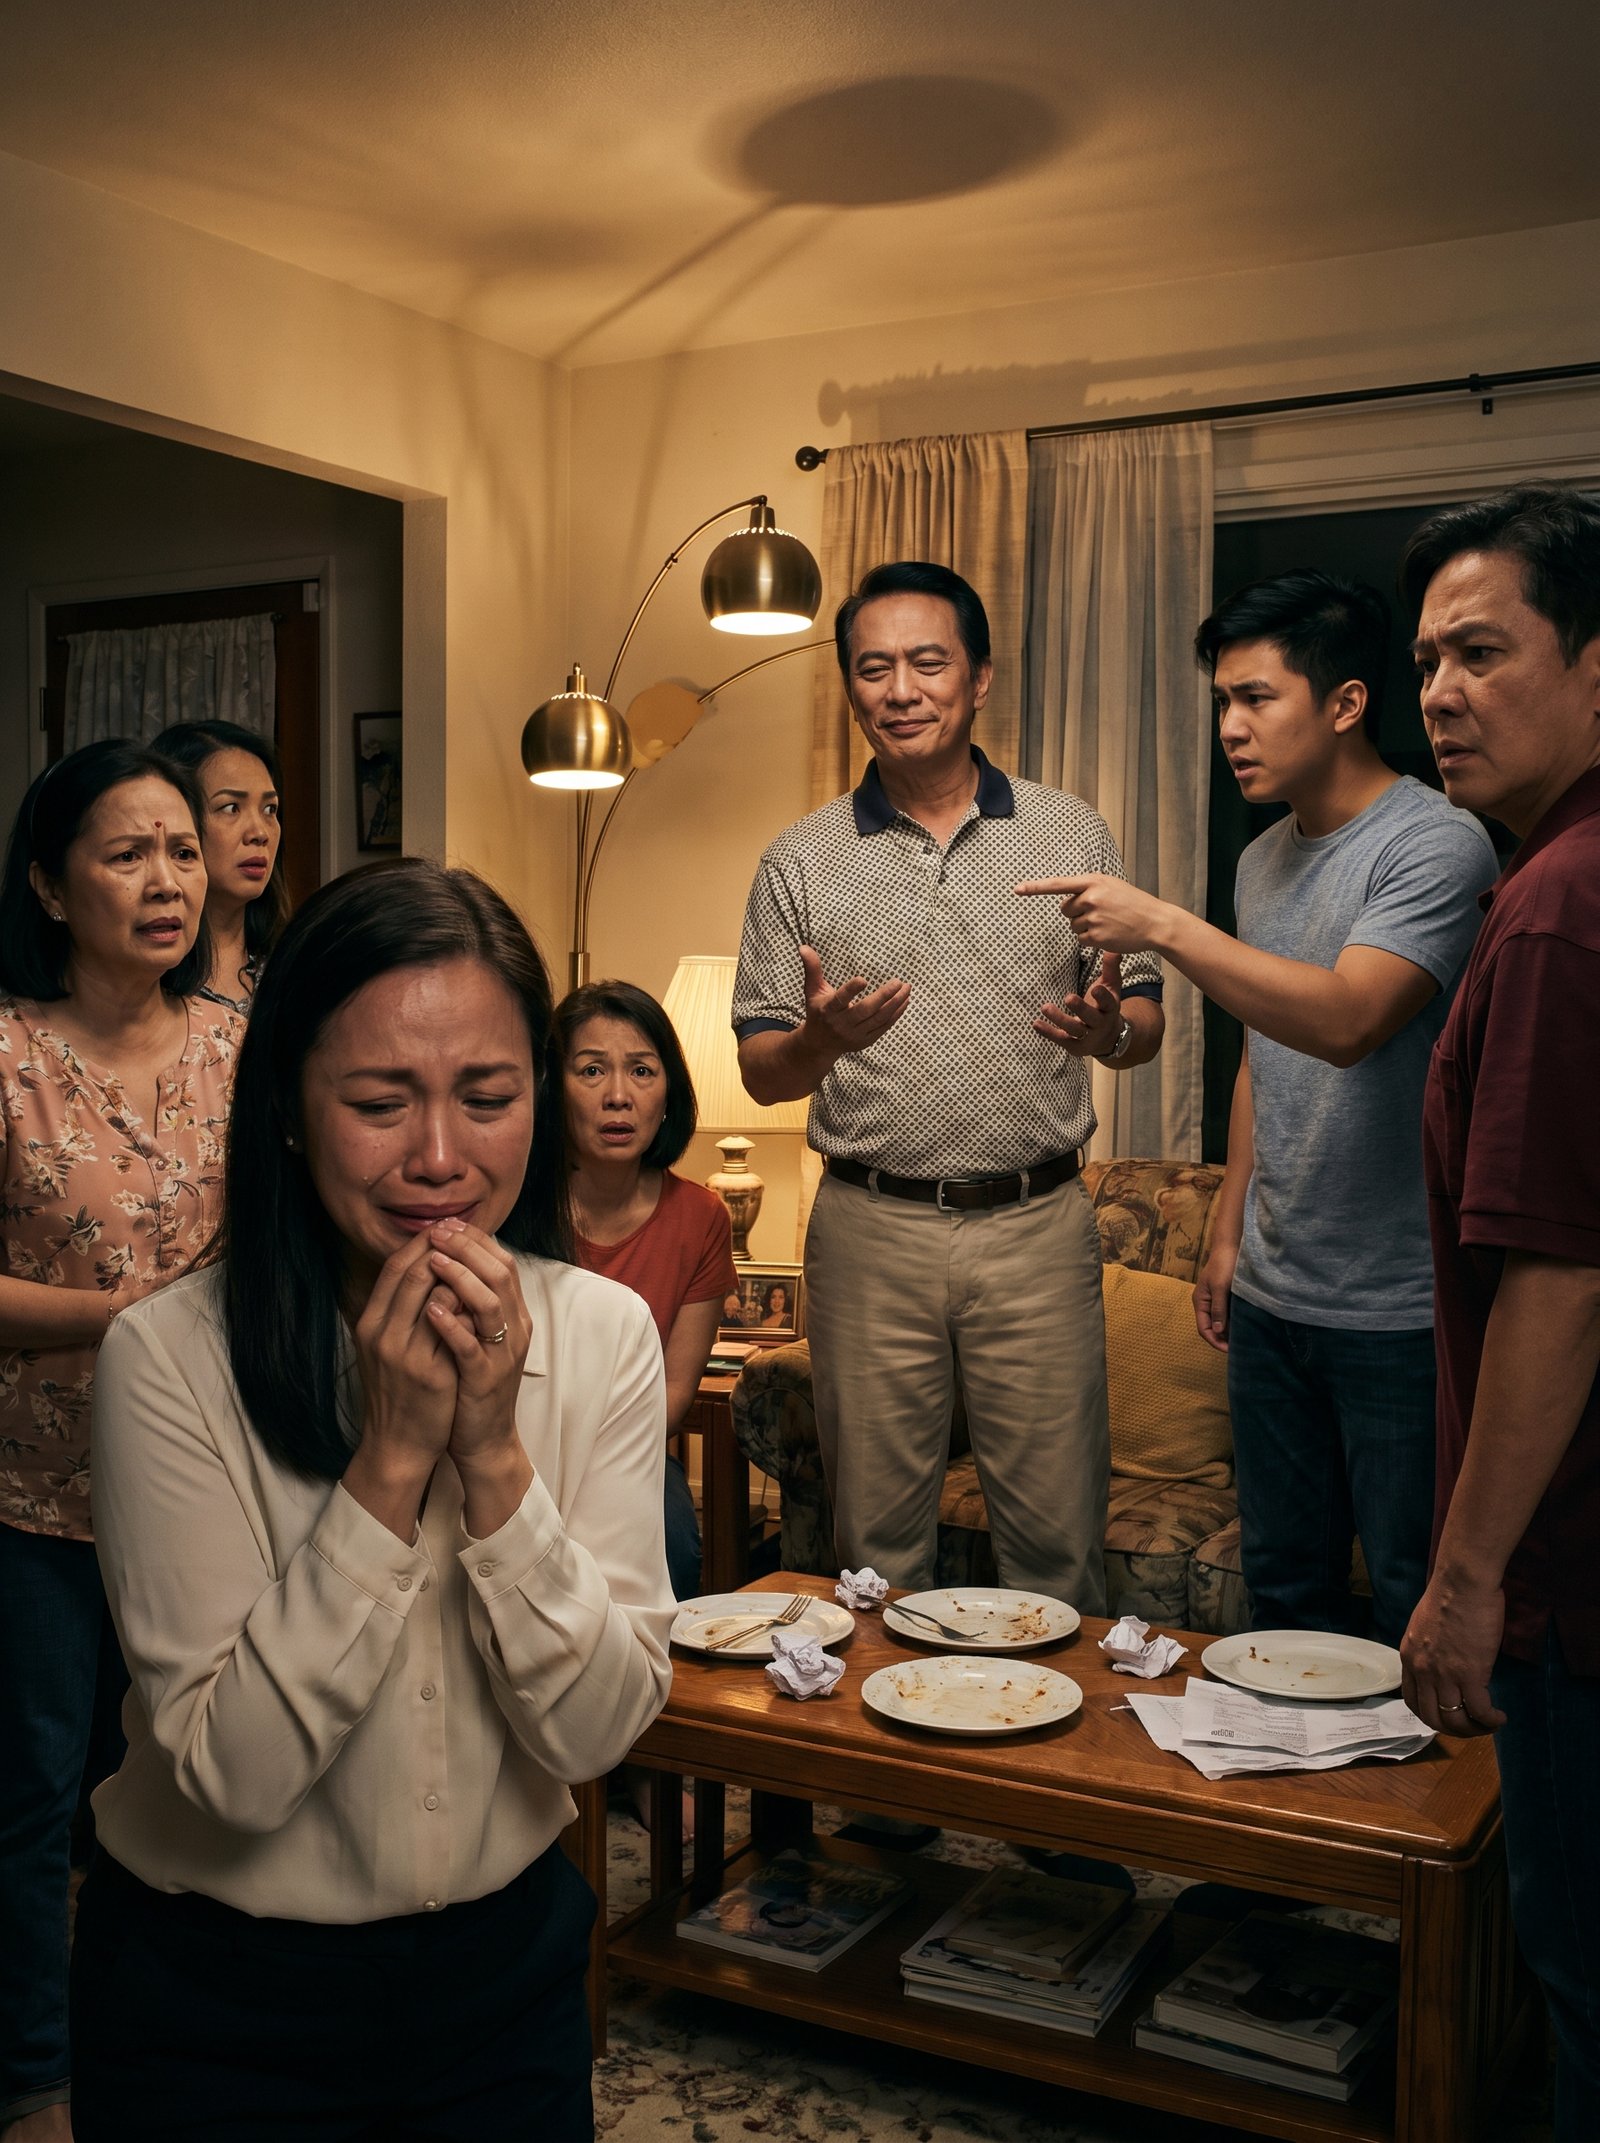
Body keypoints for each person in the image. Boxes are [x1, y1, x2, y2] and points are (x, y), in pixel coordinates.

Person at [71, 861, 673, 2141]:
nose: (440, 1158)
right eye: (379, 1103)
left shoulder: (605, 1333)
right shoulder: (167, 1358)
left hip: (503, 1983)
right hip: (216, 1999)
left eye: (489, 1098)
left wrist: (494, 1458)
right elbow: (232, 1776)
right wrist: (392, 1460)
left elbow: (597, 1734)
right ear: (289, 1111)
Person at [1021, 571, 1496, 1645]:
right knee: (1284, 1601)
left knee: (1410, 1602)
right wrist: (1228, 1230)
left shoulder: (1436, 842)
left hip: (1402, 1306)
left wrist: (1163, 925)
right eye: (1221, 702)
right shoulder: (1261, 858)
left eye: (1256, 698)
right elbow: (1261, 1055)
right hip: (1276, 1300)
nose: (1231, 727)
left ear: (1345, 702)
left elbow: (1348, 1018)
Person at [735, 560, 1164, 1608]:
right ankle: (878, 1729)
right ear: (850, 687)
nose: (900, 690)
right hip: (869, 1232)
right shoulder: (799, 859)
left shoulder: (1070, 831)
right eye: (872, 668)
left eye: (928, 663)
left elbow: (1144, 1018)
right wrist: (819, 1043)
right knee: (874, 1558)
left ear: (978, 678)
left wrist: (1110, 1031)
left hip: (1037, 1228)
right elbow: (759, 1066)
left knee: (1057, 1549)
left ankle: (1047, 1723)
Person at [1396, 485, 1600, 2138]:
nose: (1442, 694)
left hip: (1577, 1574)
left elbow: (1560, 1274)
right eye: (1427, 663)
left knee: (1582, 1982)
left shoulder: (1554, 907)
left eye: (1482, 651)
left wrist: (1466, 1584)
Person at [0, 740, 240, 2143]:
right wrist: (127, 1318)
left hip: (212, 1484)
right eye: (127, 852)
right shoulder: (7, 1052)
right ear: (49, 883)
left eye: (181, 850)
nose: (167, 879)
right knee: (35, 1800)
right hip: (34, 1491)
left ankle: (176, 2041)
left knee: (196, 1776)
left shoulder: (242, 1044)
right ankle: (36, 2078)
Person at [554, 978, 737, 1601]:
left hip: (631, 1451)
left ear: (668, 1093)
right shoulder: (515, 1207)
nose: (618, 1096)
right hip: (512, 1441)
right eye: (591, 1070)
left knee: (674, 1545)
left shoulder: (702, 1217)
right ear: (553, 1088)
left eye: (641, 1071)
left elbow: (672, 1398)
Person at [153, 718, 290, 1013]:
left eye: (270, 809)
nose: (260, 833)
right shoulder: (146, 975)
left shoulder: (294, 965)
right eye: (231, 808)